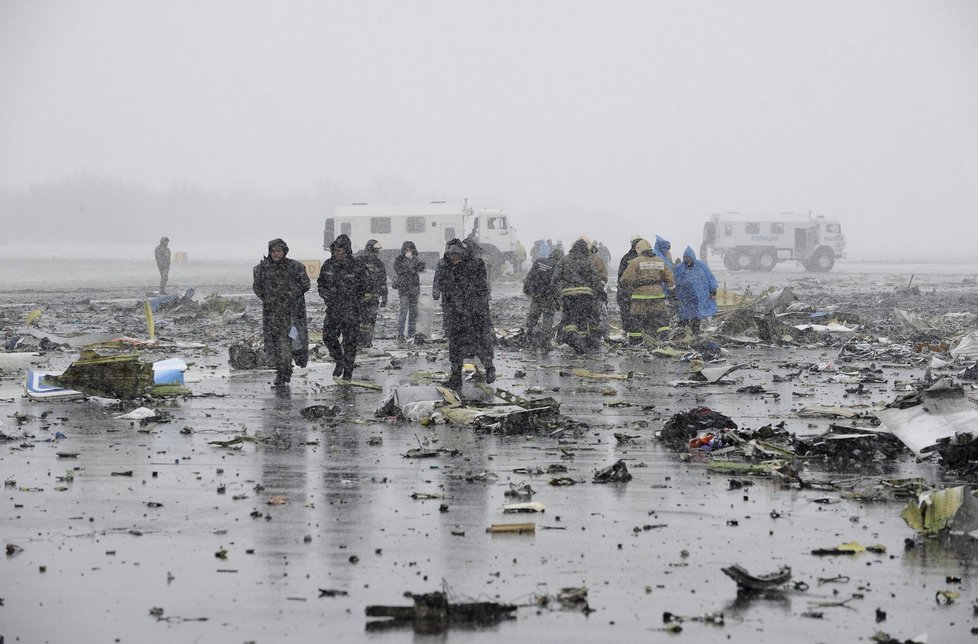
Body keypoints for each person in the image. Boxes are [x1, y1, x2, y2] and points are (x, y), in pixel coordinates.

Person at [436, 240, 495, 389]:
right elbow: (445, 286)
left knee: (480, 342)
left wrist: (470, 307)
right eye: (450, 256)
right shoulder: (448, 267)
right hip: (456, 315)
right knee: (455, 346)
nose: (453, 258)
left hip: (473, 314)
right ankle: (456, 377)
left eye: (455, 255)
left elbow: (479, 288)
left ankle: (489, 368)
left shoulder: (473, 266)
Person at [252, 238, 310, 387]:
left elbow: (305, 284)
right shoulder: (262, 268)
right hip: (272, 315)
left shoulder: (294, 267)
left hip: (291, 315)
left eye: (279, 251)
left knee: (291, 343)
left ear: (284, 251)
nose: (276, 254)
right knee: (275, 345)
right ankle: (282, 372)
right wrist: (268, 297)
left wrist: (292, 293)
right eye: (273, 251)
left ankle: (285, 372)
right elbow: (257, 287)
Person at [318, 234, 369, 380]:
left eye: (340, 251)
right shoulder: (328, 265)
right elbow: (321, 284)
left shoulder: (357, 266)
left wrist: (354, 301)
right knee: (328, 337)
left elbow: (364, 286)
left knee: (350, 342)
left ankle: (348, 371)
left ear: (347, 251)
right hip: (333, 309)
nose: (337, 254)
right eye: (335, 251)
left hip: (351, 310)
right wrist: (327, 296)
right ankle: (339, 360)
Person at [551, 236, 605, 353]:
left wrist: (556, 297)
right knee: (582, 318)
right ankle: (583, 345)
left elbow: (555, 280)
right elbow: (595, 278)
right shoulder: (587, 261)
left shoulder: (564, 260)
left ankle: (574, 340)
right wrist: (601, 292)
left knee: (570, 319)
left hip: (568, 296)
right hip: (586, 296)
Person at [619, 239, 675, 344]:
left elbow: (625, 279)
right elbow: (670, 278)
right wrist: (672, 291)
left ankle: (636, 341)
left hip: (640, 296)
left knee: (637, 318)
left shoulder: (635, 262)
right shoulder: (660, 261)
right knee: (659, 317)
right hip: (657, 295)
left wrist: (630, 288)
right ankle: (663, 339)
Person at [672, 246, 718, 336]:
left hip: (698, 297)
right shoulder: (679, 268)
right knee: (683, 316)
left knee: (696, 316)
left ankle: (694, 333)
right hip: (684, 297)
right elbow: (673, 281)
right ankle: (681, 334)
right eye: (685, 258)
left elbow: (710, 278)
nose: (687, 260)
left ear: (692, 257)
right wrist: (673, 293)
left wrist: (713, 290)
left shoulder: (701, 266)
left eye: (688, 258)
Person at [522, 247, 562, 349]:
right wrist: (558, 301)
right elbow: (556, 284)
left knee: (533, 315)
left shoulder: (539, 261)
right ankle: (545, 342)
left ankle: (529, 337)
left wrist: (527, 289)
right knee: (548, 319)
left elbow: (529, 277)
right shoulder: (557, 266)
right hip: (548, 297)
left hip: (536, 295)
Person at [355, 239, 388, 348]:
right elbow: (355, 280)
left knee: (370, 321)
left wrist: (384, 296)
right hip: (362, 297)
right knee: (363, 321)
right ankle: (362, 341)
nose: (377, 253)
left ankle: (367, 341)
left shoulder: (379, 263)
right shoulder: (360, 261)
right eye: (376, 250)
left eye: (378, 251)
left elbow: (383, 281)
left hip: (373, 298)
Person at [392, 241, 426, 341]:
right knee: (403, 312)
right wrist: (409, 262)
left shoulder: (416, 260)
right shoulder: (399, 260)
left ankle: (411, 334)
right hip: (404, 289)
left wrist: (413, 261)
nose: (408, 251)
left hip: (414, 290)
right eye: (406, 249)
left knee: (413, 313)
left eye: (410, 249)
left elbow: (421, 267)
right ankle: (400, 334)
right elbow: (400, 270)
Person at [617, 235, 643, 333]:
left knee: (628, 312)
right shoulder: (647, 257)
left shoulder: (626, 258)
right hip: (642, 291)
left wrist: (623, 290)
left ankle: (630, 331)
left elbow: (621, 276)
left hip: (629, 291)